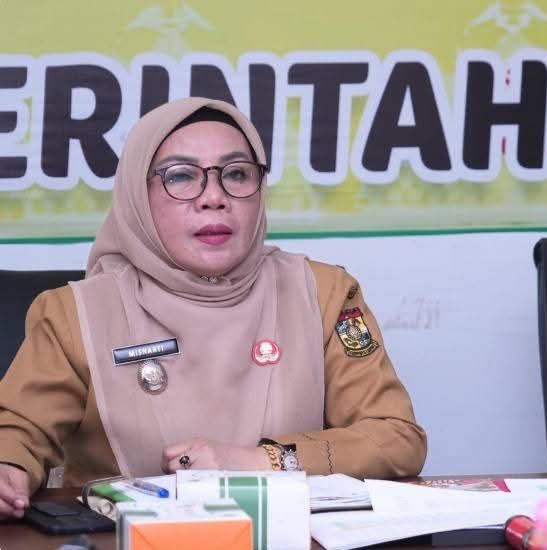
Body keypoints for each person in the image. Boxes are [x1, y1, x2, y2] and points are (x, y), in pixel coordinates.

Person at [0, 97, 427, 518]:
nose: (213, 198)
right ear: (137, 195)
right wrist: (8, 469)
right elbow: (17, 431)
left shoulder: (323, 293)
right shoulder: (76, 314)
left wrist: (259, 462)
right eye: (181, 176)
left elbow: (395, 438)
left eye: (236, 174)